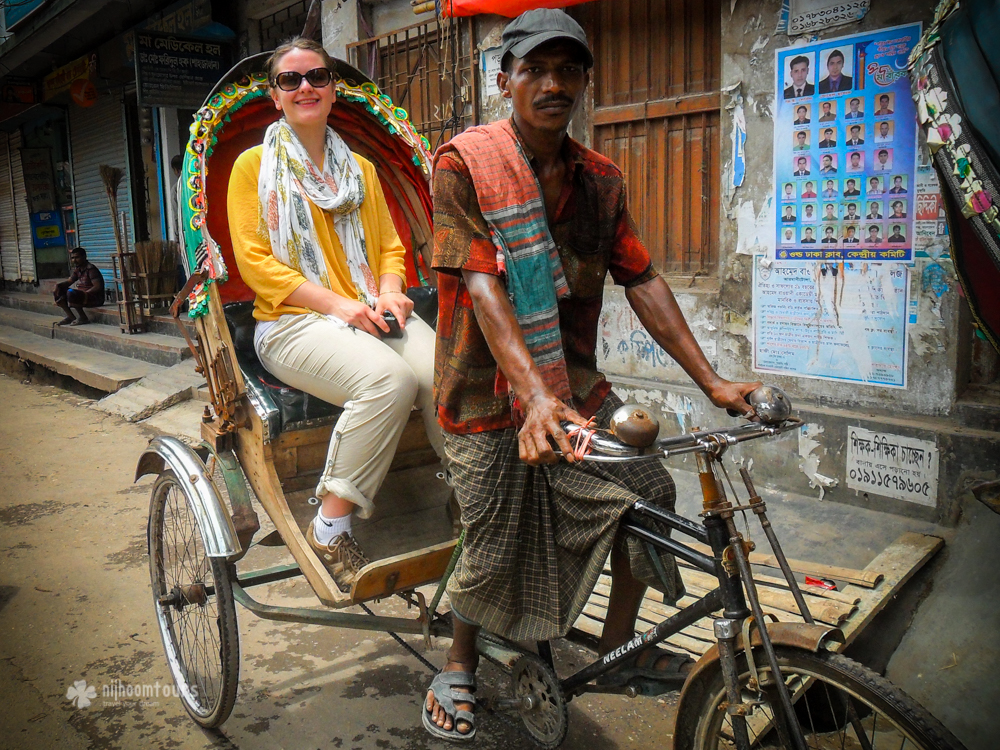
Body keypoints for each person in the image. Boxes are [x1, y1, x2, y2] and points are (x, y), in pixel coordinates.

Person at [423, 9, 759, 741]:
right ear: (504, 79)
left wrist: (715, 383)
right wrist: (533, 398)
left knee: (649, 488)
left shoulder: (600, 181)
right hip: (483, 389)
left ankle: (615, 645)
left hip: (573, 386)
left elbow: (642, 279)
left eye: (568, 69)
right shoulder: (462, 165)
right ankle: (459, 661)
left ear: (582, 83)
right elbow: (483, 286)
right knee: (492, 535)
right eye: (535, 69)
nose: (552, 83)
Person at [227, 38, 445, 592]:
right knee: (388, 381)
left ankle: (471, 498)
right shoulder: (252, 168)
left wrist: (393, 291)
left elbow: (391, 248)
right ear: (274, 96)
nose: (305, 88)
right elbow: (255, 265)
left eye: (317, 77)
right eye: (290, 81)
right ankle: (329, 525)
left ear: (332, 90)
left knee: (448, 374)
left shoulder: (363, 170)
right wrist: (340, 306)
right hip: (291, 322)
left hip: (370, 307)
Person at [54, 247, 104, 326]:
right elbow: (70, 281)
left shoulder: (91, 269)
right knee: (60, 290)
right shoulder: (78, 269)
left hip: (95, 298)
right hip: (84, 295)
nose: (74, 260)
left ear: (84, 257)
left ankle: (83, 318)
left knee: (71, 293)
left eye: (77, 257)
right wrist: (59, 286)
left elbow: (97, 287)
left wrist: (84, 294)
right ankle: (71, 317)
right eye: (73, 258)